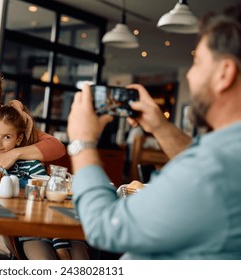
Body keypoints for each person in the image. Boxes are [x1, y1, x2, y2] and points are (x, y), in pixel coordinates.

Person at [67, 3, 241, 259]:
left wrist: (82, 142)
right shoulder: (223, 157)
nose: (190, 76)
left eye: (196, 62)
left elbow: (103, 227)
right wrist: (160, 126)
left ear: (224, 73)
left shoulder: (212, 169)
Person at [0, 101, 89, 260]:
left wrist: (59, 242)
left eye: (7, 137)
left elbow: (46, 200)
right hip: (26, 231)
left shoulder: (32, 165)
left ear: (19, 139)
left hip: (52, 228)